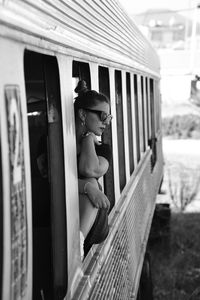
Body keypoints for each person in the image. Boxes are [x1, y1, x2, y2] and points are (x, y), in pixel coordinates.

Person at [74, 80, 112, 258]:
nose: (107, 122)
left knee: (91, 181)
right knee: (90, 184)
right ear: (83, 114)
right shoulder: (52, 142)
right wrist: (88, 189)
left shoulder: (103, 149)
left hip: (95, 229)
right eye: (103, 116)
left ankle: (77, 243)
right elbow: (51, 182)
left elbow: (90, 170)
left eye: (109, 118)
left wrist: (88, 137)